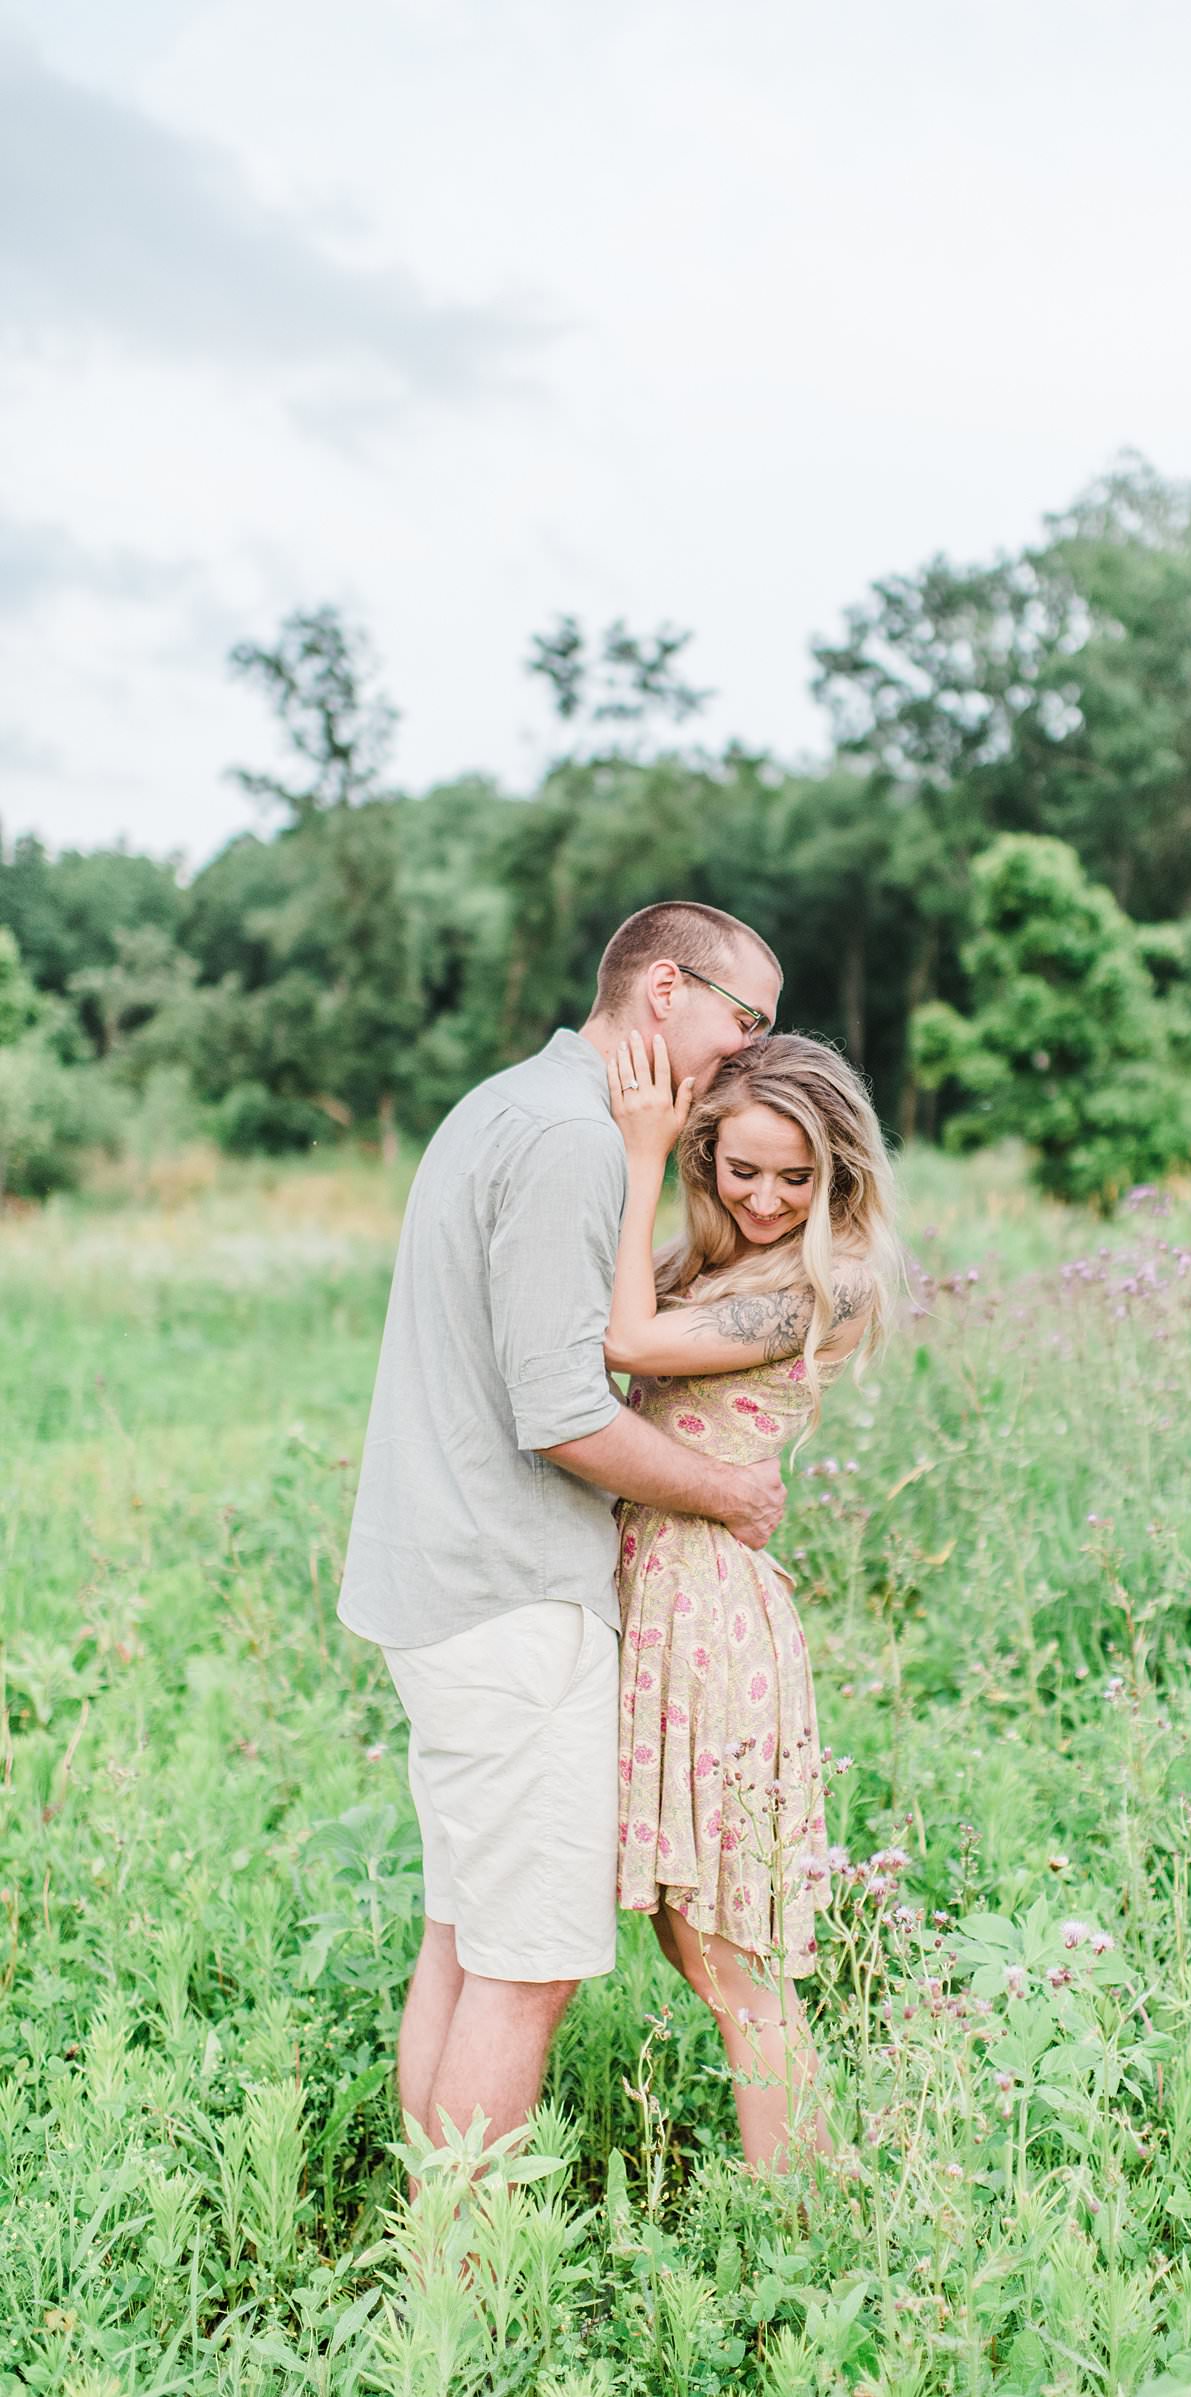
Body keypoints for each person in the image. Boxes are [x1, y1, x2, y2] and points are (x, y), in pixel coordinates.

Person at [337, 901, 786, 2153]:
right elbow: (564, 1415)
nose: (750, 1056)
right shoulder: (570, 1142)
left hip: (447, 1585)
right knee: (524, 1969)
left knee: (463, 1938)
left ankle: (440, 2263)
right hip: (511, 1598)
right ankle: (467, 2298)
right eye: (745, 1021)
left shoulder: (504, 1104)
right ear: (663, 992)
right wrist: (729, 1493)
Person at [601, 1028, 897, 2169]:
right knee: (698, 1947)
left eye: (796, 1176)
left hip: (710, 1616)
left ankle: (799, 2221)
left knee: (733, 1961)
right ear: (709, 1160)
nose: (768, 1198)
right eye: (742, 1169)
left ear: (837, 1176)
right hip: (666, 1595)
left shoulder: (822, 1284)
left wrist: (638, 1154)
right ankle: (797, 2203)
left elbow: (625, 1340)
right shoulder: (708, 1269)